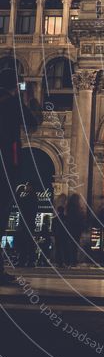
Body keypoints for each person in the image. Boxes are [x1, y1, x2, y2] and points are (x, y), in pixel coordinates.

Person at [0, 71, 41, 284]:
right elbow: (34, 123)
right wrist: (30, 99)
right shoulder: (12, 102)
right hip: (5, 164)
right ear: (16, 86)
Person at [16, 182, 38, 267]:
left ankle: (23, 260)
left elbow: (19, 203)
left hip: (26, 223)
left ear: (31, 187)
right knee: (29, 242)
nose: (26, 187)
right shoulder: (33, 197)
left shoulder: (29, 197)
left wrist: (18, 192)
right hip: (30, 223)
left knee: (24, 242)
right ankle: (30, 261)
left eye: (27, 186)